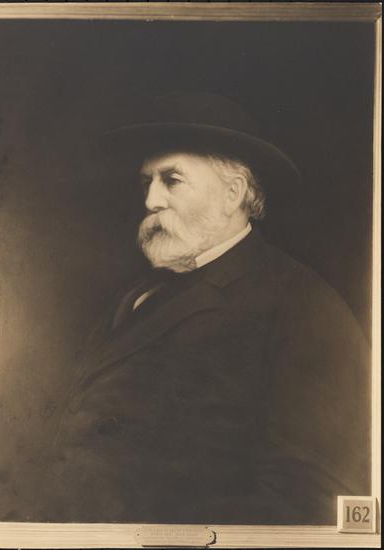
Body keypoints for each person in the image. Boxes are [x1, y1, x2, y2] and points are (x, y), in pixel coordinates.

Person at [51, 93, 370, 525]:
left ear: (232, 194)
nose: (150, 201)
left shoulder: (304, 307)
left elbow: (309, 501)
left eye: (171, 180)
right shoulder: (138, 294)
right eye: (146, 183)